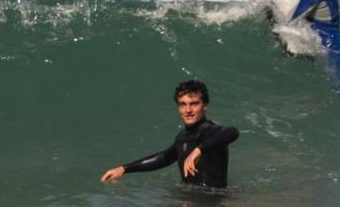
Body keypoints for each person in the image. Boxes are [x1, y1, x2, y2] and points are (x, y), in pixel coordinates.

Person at [100, 79, 239, 189]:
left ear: (205, 105)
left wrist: (198, 150)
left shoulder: (210, 131)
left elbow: (231, 132)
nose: (188, 110)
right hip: (192, 196)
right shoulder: (182, 137)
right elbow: (164, 158)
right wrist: (124, 169)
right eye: (183, 104)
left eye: (194, 104)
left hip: (213, 199)